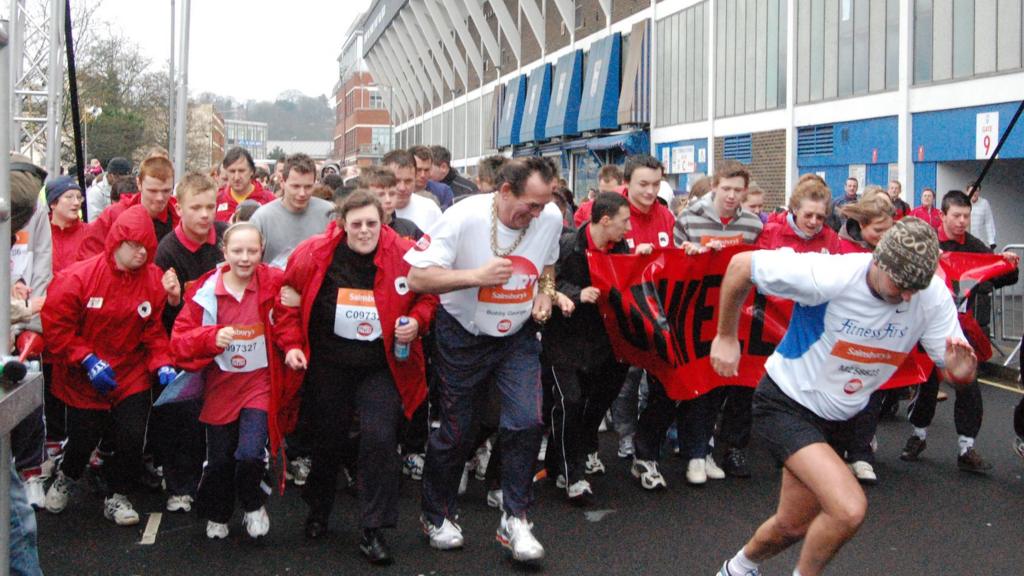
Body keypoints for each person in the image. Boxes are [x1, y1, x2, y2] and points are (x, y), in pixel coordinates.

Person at [710, 217, 977, 576]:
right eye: (901, 284)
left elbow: (954, 370)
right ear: (878, 260)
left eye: (917, 286)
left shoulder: (930, 296)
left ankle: (737, 569)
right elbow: (741, 265)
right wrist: (726, 336)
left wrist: (961, 374)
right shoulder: (830, 273)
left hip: (841, 416)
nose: (909, 295)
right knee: (848, 508)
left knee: (791, 526)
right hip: (787, 403)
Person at [406, 157, 565, 563]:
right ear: (504, 191)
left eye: (543, 205)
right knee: (458, 430)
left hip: (516, 335)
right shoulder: (464, 216)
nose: (536, 214)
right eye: (530, 205)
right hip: (463, 334)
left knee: (527, 421)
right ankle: (436, 515)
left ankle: (516, 519)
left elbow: (547, 262)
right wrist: (475, 276)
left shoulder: (549, 218)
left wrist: (545, 292)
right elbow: (419, 277)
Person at [275, 191, 437, 565]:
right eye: (357, 224)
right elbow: (287, 301)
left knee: (380, 437)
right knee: (327, 438)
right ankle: (318, 508)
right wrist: (291, 344)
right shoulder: (313, 253)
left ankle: (373, 529)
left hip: (382, 365)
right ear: (341, 224)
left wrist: (417, 321)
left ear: (384, 223)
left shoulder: (406, 253)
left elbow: (428, 296)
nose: (365, 232)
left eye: (372, 224)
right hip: (330, 363)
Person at [42, 205, 176, 526]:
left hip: (130, 373)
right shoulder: (78, 278)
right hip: (84, 377)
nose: (142, 253)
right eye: (135, 246)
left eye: (147, 247)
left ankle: (117, 495)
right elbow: (57, 329)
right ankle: (69, 473)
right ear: (117, 241)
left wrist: (163, 362)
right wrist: (86, 359)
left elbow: (154, 332)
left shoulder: (153, 281)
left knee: (131, 437)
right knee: (82, 439)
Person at [170, 223, 283, 540]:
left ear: (262, 250)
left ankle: (252, 504)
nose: (245, 258)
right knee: (219, 461)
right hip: (220, 387)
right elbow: (179, 341)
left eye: (252, 251)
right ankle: (218, 513)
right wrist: (211, 337)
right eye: (237, 251)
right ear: (224, 252)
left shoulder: (273, 282)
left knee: (249, 453)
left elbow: (301, 290)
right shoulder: (206, 290)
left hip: (259, 385)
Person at [900, 190, 1019, 472]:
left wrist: (1008, 264)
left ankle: (967, 447)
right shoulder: (928, 241)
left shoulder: (975, 246)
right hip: (925, 324)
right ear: (943, 216)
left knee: (968, 384)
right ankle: (918, 435)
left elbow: (996, 276)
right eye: (956, 216)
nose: (962, 221)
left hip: (957, 329)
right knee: (926, 383)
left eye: (967, 216)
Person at [669, 161, 763, 484]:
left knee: (727, 382)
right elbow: (671, 261)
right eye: (727, 189)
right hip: (697, 311)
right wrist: (688, 253)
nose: (732, 196)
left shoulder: (753, 224)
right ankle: (694, 454)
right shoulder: (688, 218)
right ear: (715, 187)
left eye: (739, 190)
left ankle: (707, 452)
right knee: (699, 385)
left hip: (736, 314)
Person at [543, 192, 631, 502]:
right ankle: (573, 475)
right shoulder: (566, 246)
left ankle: (559, 462)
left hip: (600, 344)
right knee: (569, 402)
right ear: (605, 220)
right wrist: (577, 294)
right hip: (563, 340)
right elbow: (547, 283)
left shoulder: (622, 249)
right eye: (624, 221)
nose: (629, 229)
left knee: (591, 403)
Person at [153, 173, 230, 514]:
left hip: (228, 342)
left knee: (222, 417)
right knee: (183, 417)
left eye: (210, 206)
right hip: (185, 344)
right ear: (179, 208)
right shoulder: (168, 249)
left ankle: (221, 482)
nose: (204, 215)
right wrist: (170, 300)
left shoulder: (227, 238)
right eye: (195, 207)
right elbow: (163, 314)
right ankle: (180, 485)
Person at [832, 194, 896, 485]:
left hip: (879, 332)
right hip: (845, 330)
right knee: (842, 392)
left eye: (888, 231)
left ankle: (861, 454)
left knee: (872, 393)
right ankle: (836, 453)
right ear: (861, 224)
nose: (884, 238)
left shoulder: (893, 250)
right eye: (878, 231)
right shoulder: (839, 247)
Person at [78, 155, 180, 259]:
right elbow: (88, 256)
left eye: (166, 191)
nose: (160, 198)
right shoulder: (114, 214)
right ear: (139, 184)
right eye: (152, 191)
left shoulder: (182, 215)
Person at [249, 153, 335, 269]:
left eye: (308, 187)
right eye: (295, 186)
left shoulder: (329, 214)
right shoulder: (262, 218)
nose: (302, 193)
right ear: (282, 183)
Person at [757, 174, 841, 254]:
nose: (813, 221)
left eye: (820, 217)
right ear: (795, 209)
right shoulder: (770, 233)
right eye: (808, 215)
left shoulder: (831, 239)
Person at [384, 149, 442, 232]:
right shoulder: (371, 211)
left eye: (408, 181)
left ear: (415, 178)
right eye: (396, 181)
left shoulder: (431, 210)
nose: (402, 188)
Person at [359, 166, 423, 240]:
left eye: (392, 194)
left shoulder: (409, 229)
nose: (388, 200)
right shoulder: (359, 231)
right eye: (381, 195)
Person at [214, 147, 276, 222]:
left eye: (241, 171)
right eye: (232, 171)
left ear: (252, 171)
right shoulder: (216, 200)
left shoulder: (269, 200)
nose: (236, 177)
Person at [85, 157, 131, 222]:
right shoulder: (96, 192)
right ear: (112, 175)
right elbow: (94, 221)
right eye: (122, 178)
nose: (125, 181)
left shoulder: (128, 187)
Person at [410, 145, 454, 210]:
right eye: (418, 170)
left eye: (426, 170)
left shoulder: (444, 191)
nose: (423, 175)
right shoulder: (398, 191)